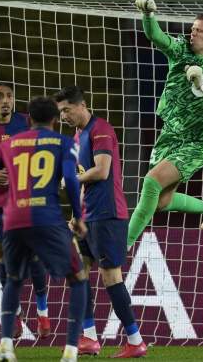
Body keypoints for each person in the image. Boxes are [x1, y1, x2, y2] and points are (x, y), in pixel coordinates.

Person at [0, 96, 87, 362]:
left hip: (13, 220)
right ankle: (70, 350)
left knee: (13, 279)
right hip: (47, 219)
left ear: (29, 120)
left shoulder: (9, 144)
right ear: (55, 120)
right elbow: (70, 180)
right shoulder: (63, 142)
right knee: (78, 278)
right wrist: (78, 217)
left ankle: (6, 345)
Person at [127, 0, 203, 249]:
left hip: (199, 140)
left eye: (199, 31)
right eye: (192, 29)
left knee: (151, 182)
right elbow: (156, 36)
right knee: (161, 201)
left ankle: (120, 248)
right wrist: (148, 15)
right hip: (171, 132)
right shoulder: (181, 50)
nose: (193, 34)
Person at [56, 86, 147, 358]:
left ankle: (135, 340)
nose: (63, 116)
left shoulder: (101, 129)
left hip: (108, 215)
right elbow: (85, 177)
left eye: (66, 110)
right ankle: (89, 337)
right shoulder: (78, 136)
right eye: (60, 112)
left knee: (111, 278)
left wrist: (70, 180)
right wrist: (76, 212)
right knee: (78, 272)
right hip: (89, 216)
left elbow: (101, 170)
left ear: (81, 105)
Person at [0, 82, 50, 338]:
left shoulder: (25, 122)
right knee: (4, 258)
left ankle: (43, 312)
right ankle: (14, 314)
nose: (6, 101)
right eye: (0, 97)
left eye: (10, 96)